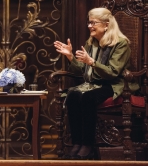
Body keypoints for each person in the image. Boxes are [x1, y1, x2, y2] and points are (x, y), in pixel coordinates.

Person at [54, 8, 139, 160]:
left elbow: (113, 72)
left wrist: (92, 62)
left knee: (87, 97)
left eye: (93, 22)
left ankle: (88, 146)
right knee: (73, 95)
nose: (89, 26)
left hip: (113, 84)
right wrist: (70, 57)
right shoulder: (91, 43)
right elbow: (81, 70)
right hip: (94, 82)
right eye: (89, 22)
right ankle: (77, 143)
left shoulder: (121, 44)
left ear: (106, 25)